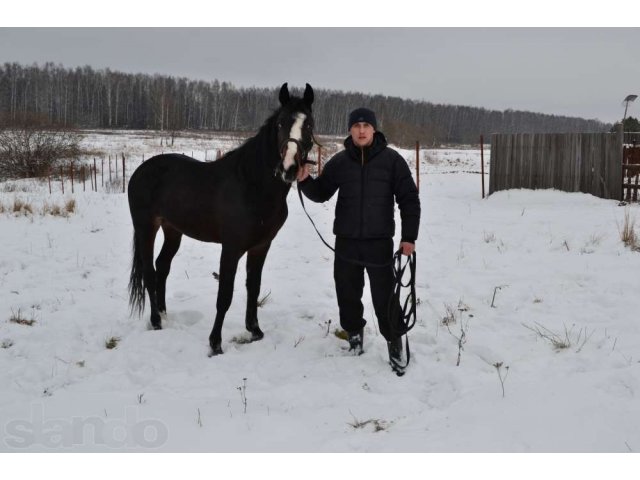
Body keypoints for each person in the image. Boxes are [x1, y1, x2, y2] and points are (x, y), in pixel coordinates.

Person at [297, 107, 421, 369]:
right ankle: (354, 336)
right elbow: (321, 193)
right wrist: (306, 180)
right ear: (350, 130)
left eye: (366, 126)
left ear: (374, 129)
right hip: (346, 243)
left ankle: (395, 342)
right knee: (347, 294)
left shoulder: (392, 161)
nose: (362, 130)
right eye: (356, 126)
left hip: (379, 244)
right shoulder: (341, 162)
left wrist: (409, 236)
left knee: (385, 297)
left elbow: (409, 199)